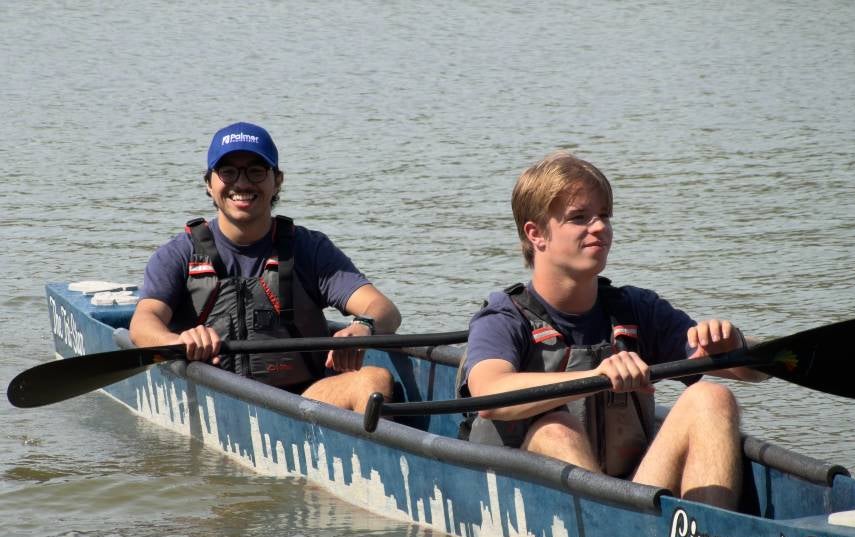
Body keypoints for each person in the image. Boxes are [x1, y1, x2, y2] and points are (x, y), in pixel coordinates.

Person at [458, 151, 767, 510]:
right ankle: (614, 531)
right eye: (579, 218)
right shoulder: (502, 318)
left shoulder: (635, 309)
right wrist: (598, 375)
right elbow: (489, 394)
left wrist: (733, 346)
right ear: (536, 233)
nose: (600, 227)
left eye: (604, 215)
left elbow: (756, 371)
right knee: (556, 429)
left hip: (630, 495)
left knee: (712, 397)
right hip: (523, 498)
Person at [130, 122, 401, 413]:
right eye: (228, 172)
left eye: (256, 171)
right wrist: (178, 341)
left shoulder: (309, 248)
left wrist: (364, 327)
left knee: (374, 379)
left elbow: (384, 309)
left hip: (302, 404)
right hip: (212, 397)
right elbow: (142, 324)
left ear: (277, 181)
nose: (242, 183)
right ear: (209, 183)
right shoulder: (179, 253)